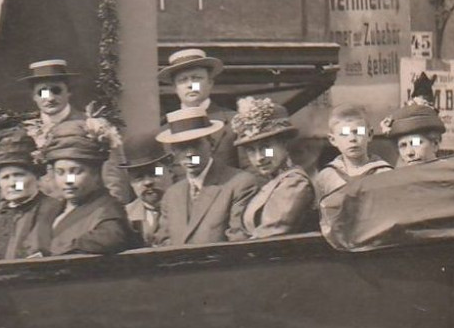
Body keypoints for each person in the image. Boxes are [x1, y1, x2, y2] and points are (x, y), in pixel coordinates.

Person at [19, 59, 133, 206]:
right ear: (34, 97)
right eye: (43, 92)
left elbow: (114, 182)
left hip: (87, 213)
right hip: (43, 216)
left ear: (69, 91)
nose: (50, 98)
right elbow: (20, 181)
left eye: (56, 90)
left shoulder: (94, 127)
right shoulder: (27, 133)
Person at [154, 106, 260, 245]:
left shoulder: (240, 184)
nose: (190, 154)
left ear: (211, 144)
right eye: (181, 146)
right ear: (173, 151)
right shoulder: (172, 195)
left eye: (195, 144)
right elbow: (163, 242)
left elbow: (238, 242)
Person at [229, 97, 318, 239]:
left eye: (266, 148)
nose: (259, 158)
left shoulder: (294, 183)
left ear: (284, 143)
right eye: (251, 150)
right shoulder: (271, 182)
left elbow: (269, 234)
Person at [0, 126, 63, 261]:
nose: (12, 184)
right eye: (5, 178)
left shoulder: (52, 209)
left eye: (19, 175)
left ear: (36, 176)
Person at [42, 119, 133, 256]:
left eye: (76, 171)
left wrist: (55, 249)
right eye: (60, 172)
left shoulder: (107, 208)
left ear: (96, 174)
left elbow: (112, 238)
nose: (68, 180)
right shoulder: (55, 209)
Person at [312, 103, 393, 241]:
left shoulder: (384, 173)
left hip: (377, 242)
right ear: (333, 140)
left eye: (358, 132)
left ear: (370, 134)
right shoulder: (326, 177)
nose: (352, 139)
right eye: (343, 134)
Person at [160, 47, 238, 168]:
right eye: (182, 80)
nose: (190, 85)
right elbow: (162, 172)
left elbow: (250, 169)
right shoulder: (164, 132)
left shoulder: (235, 122)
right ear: (175, 88)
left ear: (210, 83)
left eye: (196, 78)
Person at [120, 131, 176, 248]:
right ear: (130, 182)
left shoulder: (188, 207)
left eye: (155, 173)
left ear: (170, 171)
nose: (148, 182)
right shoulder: (123, 218)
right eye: (139, 177)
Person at [384, 100, 449, 167]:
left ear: (435, 145)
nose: (409, 152)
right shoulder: (401, 175)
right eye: (403, 145)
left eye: (416, 143)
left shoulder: (450, 173)